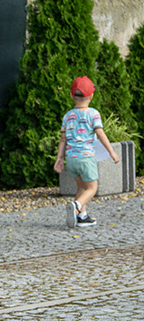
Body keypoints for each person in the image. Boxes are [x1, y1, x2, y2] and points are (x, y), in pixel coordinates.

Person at [53, 76, 119, 228]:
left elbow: (63, 140)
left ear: (71, 96)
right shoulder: (93, 114)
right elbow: (101, 134)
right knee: (92, 188)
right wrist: (111, 152)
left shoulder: (67, 116)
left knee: (82, 188)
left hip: (71, 159)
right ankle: (76, 205)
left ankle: (82, 216)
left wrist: (59, 158)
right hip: (86, 158)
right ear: (91, 96)